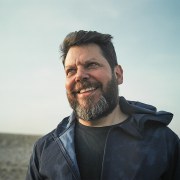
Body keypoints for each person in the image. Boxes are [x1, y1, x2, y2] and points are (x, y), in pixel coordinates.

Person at [26, 30, 180, 180]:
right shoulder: (45, 149)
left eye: (91, 65)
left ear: (118, 74)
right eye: (71, 70)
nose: (79, 76)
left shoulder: (164, 143)